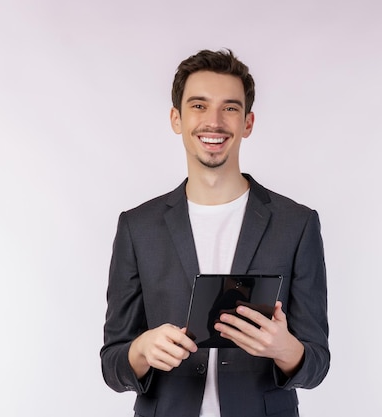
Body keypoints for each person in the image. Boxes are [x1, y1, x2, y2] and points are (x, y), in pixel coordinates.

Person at [100, 49, 329, 417]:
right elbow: (112, 363)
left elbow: (317, 362)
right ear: (176, 118)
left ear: (248, 122)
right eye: (199, 106)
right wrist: (142, 349)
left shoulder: (297, 224)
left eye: (230, 108)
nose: (215, 121)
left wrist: (284, 347)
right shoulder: (137, 227)